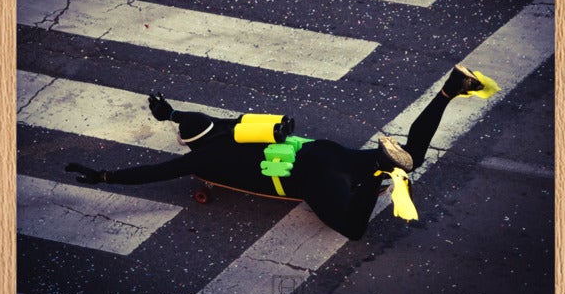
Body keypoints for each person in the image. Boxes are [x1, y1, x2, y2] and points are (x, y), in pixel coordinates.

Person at [62, 66, 498, 243]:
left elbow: (152, 172)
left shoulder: (198, 160)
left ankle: (379, 171)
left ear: (189, 144)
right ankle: (449, 88)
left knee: (353, 229)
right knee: (415, 155)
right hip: (322, 151)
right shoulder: (234, 126)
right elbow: (192, 118)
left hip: (309, 179)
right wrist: (170, 112)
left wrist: (103, 177)